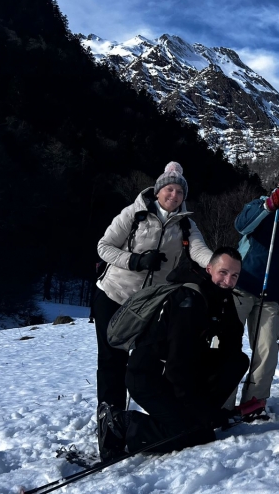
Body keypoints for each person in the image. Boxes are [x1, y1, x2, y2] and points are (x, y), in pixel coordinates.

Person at [97, 248, 249, 461]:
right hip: (148, 376)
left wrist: (208, 410)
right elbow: (178, 365)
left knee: (237, 361)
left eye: (234, 276)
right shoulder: (188, 300)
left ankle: (187, 417)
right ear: (209, 269)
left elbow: (232, 348)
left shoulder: (222, 299)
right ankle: (122, 423)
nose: (228, 280)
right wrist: (199, 411)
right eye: (223, 273)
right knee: (197, 435)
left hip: (178, 373)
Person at [93, 162, 213, 413]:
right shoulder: (134, 213)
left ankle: (156, 416)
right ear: (157, 191)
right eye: (169, 189)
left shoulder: (185, 224)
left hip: (148, 304)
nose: (174, 195)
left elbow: (198, 249)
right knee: (111, 361)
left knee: (143, 361)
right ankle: (110, 420)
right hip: (113, 293)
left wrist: (216, 265)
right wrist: (135, 261)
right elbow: (104, 247)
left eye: (180, 192)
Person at [233, 170, 279, 421]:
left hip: (270, 294)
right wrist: (267, 206)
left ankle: (254, 402)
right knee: (228, 344)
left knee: (266, 350)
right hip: (242, 284)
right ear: (278, 184)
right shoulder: (259, 205)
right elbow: (241, 225)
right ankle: (220, 402)